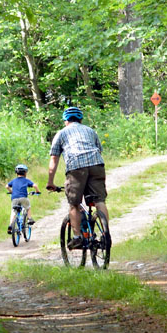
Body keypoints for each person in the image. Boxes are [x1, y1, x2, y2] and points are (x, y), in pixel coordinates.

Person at [46, 106, 108, 249]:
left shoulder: (61, 133)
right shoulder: (90, 131)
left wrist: (50, 182)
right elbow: (99, 150)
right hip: (97, 164)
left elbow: (54, 158)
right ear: (80, 119)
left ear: (65, 120)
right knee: (99, 201)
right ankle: (106, 234)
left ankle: (77, 237)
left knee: (74, 203)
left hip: (76, 166)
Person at [6, 164, 38, 235]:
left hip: (14, 198)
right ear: (25, 172)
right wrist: (37, 191)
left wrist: (11, 191)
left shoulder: (13, 180)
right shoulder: (26, 180)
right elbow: (35, 185)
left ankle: (11, 225)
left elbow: (7, 186)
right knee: (28, 207)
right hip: (23, 197)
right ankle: (29, 219)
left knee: (13, 211)